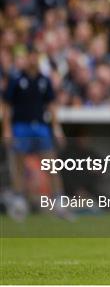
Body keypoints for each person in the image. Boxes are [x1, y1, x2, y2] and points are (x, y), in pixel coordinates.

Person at [2, 44, 69, 221]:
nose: (33, 59)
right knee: (19, 164)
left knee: (51, 163)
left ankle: (58, 200)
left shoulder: (44, 80)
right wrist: (7, 129)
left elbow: (51, 106)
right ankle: (19, 199)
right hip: (21, 126)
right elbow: (7, 106)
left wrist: (56, 128)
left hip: (40, 126)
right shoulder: (16, 79)